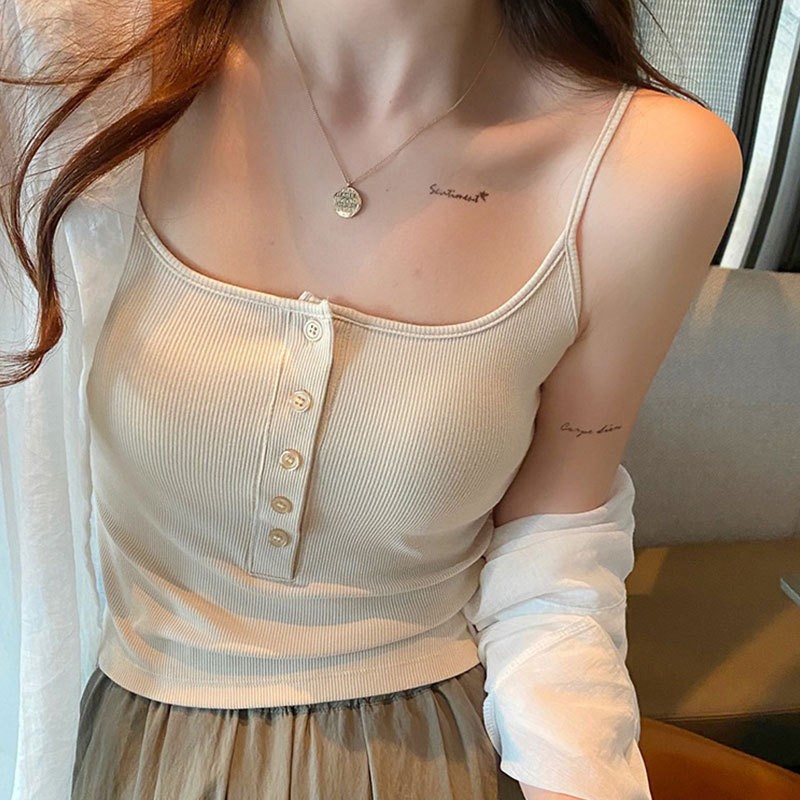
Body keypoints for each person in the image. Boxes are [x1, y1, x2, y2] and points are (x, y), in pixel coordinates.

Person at [0, 1, 743, 798]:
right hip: (129, 756)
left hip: (421, 762)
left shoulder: (646, 168)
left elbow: (552, 555)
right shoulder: (73, 66)